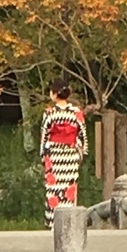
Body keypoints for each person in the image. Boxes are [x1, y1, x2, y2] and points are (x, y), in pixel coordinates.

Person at [39, 82, 87, 224]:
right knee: (69, 188)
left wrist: (44, 156)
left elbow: (44, 136)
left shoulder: (49, 113)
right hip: (71, 155)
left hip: (54, 155)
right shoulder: (76, 113)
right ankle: (69, 222)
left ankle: (54, 221)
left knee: (54, 189)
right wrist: (79, 153)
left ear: (55, 94)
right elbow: (82, 136)